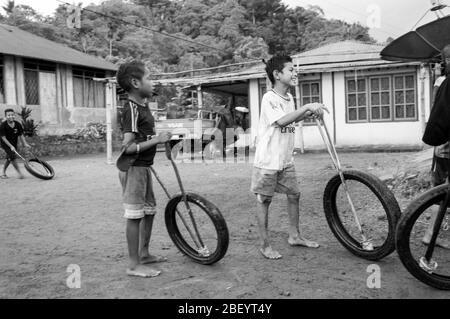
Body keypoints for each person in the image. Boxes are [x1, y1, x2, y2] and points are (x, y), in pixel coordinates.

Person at [250, 55, 328, 260]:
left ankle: (294, 236)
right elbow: (282, 121)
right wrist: (306, 107)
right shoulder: (269, 98)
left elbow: (292, 117)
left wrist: (310, 112)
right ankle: (264, 245)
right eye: (291, 70)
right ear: (277, 74)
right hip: (268, 160)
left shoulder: (289, 97)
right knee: (264, 200)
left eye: (295, 70)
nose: (295, 73)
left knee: (294, 195)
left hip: (285, 159)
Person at [116, 61, 172, 278]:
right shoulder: (130, 108)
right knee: (135, 215)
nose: (152, 82)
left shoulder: (143, 105)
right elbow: (128, 147)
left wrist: (159, 140)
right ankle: (133, 264)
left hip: (144, 167)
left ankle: (144, 253)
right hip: (133, 168)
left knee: (148, 211)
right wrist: (157, 140)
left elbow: (145, 136)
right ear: (135, 82)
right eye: (149, 78)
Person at [423, 45, 450, 249]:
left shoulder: (440, 82)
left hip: (442, 146)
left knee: (440, 192)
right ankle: (431, 234)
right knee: (440, 193)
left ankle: (431, 234)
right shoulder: (443, 83)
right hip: (444, 148)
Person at [0, 109, 30, 179]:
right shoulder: (3, 126)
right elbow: (3, 138)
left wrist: (25, 143)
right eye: (9, 115)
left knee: (9, 158)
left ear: (14, 115)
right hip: (5, 143)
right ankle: (19, 173)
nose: (11, 116)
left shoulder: (17, 124)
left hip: (14, 142)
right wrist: (10, 146)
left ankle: (3, 172)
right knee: (12, 157)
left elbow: (21, 135)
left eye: (12, 115)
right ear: (6, 116)